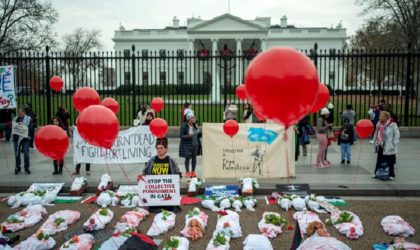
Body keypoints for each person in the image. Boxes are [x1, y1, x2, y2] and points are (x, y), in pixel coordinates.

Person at [142, 137, 181, 213]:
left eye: (161, 148)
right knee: (154, 206)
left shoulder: (171, 161)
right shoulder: (152, 160)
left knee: (169, 207)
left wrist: (178, 179)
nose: (159, 150)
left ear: (166, 149)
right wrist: (142, 178)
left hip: (167, 191)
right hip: (155, 190)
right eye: (157, 148)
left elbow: (178, 173)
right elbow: (145, 172)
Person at [372, 111, 400, 180]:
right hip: (381, 145)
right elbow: (376, 134)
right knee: (379, 160)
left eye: (381, 115)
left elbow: (397, 135)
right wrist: (376, 142)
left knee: (390, 162)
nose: (379, 116)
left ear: (385, 117)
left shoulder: (393, 125)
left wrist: (393, 144)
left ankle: (391, 174)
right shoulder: (379, 124)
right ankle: (376, 173)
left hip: (389, 146)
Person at [179, 113, 202, 178]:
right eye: (192, 118)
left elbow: (197, 135)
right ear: (188, 119)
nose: (194, 119)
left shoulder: (195, 126)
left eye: (194, 117)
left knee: (194, 158)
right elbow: (181, 136)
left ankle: (193, 171)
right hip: (188, 145)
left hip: (196, 144)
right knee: (187, 158)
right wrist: (189, 136)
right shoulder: (184, 126)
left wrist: (201, 133)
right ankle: (187, 172)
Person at [12, 108, 31, 175]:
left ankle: (26, 167)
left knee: (26, 154)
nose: (19, 114)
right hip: (16, 139)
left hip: (25, 139)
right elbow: (13, 127)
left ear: (24, 112)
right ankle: (17, 167)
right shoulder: (15, 119)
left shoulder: (28, 119)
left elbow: (31, 127)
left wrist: (23, 125)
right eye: (18, 113)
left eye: (21, 112)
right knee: (17, 154)